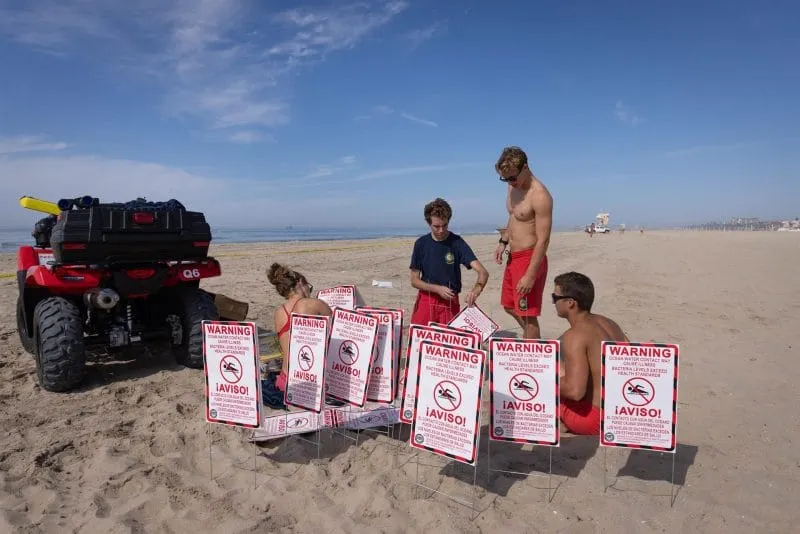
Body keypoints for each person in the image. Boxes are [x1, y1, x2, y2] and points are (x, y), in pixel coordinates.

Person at [552, 271, 629, 435]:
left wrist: (540, 380)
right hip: (621, 414)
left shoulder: (575, 335)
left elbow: (575, 391)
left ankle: (564, 422)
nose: (553, 302)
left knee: (546, 374)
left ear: (570, 303)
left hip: (592, 419)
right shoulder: (609, 323)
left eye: (555, 298)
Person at [494, 146, 553, 339]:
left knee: (528, 315)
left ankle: (532, 354)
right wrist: (503, 241)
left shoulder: (540, 196)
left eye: (512, 178)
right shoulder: (513, 185)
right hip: (514, 257)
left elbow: (543, 240)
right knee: (510, 306)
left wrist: (530, 274)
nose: (510, 182)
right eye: (505, 179)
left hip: (529, 258)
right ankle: (534, 342)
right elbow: (514, 217)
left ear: (525, 167)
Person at [409, 198, 489, 326]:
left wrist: (476, 290)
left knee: (448, 343)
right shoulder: (421, 244)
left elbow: (483, 272)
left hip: (450, 301)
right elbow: (414, 280)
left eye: (444, 225)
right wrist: (437, 289)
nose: (441, 230)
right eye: (436, 226)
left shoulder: (457, 243)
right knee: (418, 340)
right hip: (426, 299)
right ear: (428, 223)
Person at [267, 262, 333, 394]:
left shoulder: (279, 312)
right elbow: (336, 332)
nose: (309, 291)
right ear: (300, 284)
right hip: (310, 382)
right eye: (309, 287)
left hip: (285, 380)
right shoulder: (313, 304)